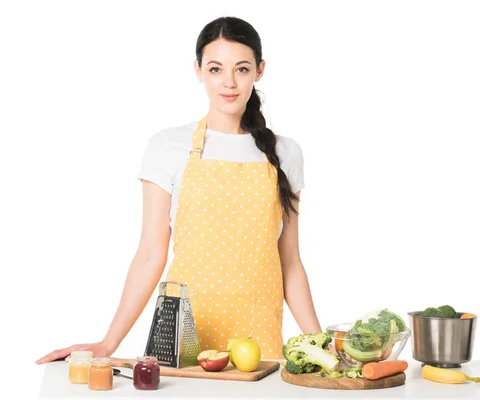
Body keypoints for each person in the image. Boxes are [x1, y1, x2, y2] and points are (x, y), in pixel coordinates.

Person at [36, 16, 323, 365]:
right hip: (179, 342)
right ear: (199, 70)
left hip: (259, 344)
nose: (228, 82)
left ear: (260, 71)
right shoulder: (168, 146)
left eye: (242, 69)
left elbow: (289, 262)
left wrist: (320, 345)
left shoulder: (285, 153)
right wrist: (107, 343)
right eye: (216, 69)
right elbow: (150, 254)